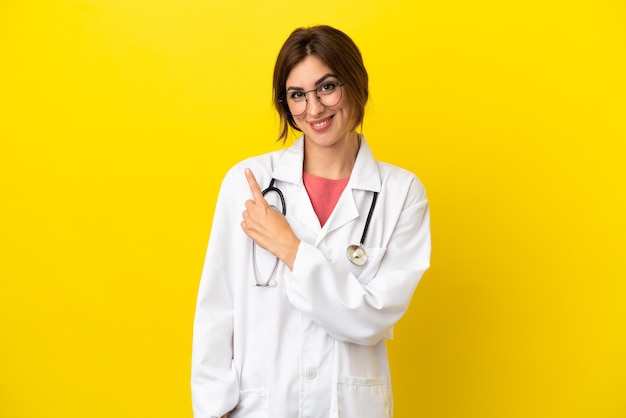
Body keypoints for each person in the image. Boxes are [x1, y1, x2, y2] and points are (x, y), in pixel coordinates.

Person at [191, 25, 431, 418]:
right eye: (297, 95)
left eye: (327, 87)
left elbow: (371, 317)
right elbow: (217, 311)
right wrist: (211, 410)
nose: (314, 109)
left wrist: (290, 248)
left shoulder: (401, 193)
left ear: (355, 84)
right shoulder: (248, 182)